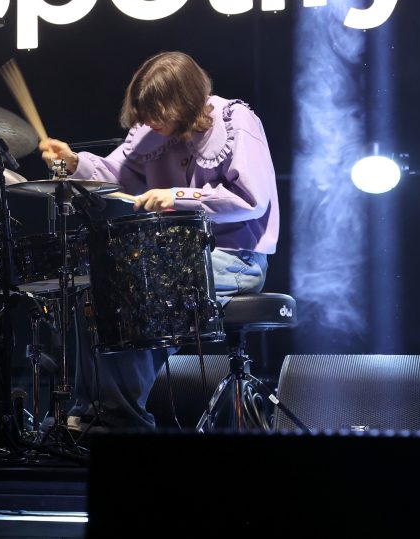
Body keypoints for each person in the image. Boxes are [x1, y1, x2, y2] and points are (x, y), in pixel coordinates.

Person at [38, 51, 278, 429]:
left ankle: (120, 420)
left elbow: (252, 201)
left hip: (234, 259)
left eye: (157, 112)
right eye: (144, 113)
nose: (149, 121)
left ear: (183, 102)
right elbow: (114, 175)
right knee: (97, 288)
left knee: (137, 290)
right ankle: (92, 412)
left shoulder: (235, 122)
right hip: (170, 256)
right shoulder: (152, 131)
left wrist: (178, 196)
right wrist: (74, 161)